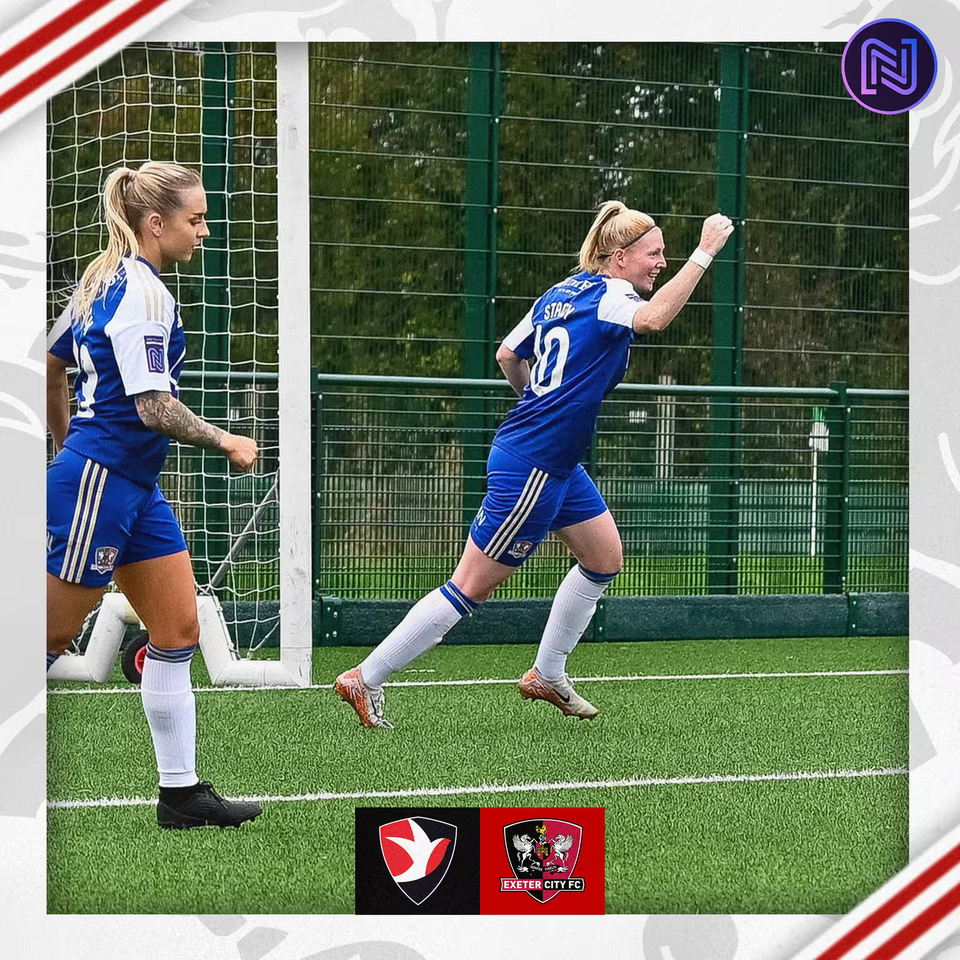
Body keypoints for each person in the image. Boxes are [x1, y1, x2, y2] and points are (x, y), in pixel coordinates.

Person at [335, 201, 734, 729]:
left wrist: (538, 402)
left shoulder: (558, 294)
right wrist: (705, 252)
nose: (661, 262)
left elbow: (507, 353)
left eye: (665, 254)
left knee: (604, 558)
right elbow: (655, 318)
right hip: (535, 464)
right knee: (471, 585)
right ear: (618, 258)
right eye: (653, 254)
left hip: (556, 461)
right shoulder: (612, 295)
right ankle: (365, 677)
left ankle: (548, 674)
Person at [46, 162, 263, 829]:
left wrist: (66, 442)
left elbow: (52, 366)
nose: (205, 229)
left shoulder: (104, 280)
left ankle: (181, 794)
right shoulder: (138, 290)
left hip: (131, 488)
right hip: (102, 485)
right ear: (155, 222)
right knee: (44, 637)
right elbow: (150, 405)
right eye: (195, 219)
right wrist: (226, 439)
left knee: (177, 631)